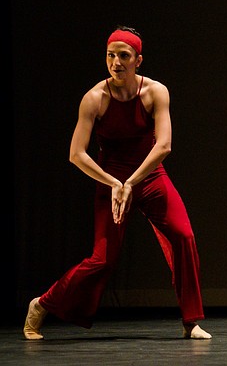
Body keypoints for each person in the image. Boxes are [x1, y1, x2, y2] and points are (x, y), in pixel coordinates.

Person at [23, 26, 211, 340]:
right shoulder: (95, 98)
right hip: (110, 182)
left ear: (139, 59)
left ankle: (191, 321)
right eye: (110, 55)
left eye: (123, 56)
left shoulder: (154, 92)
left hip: (149, 177)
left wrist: (131, 182)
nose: (116, 62)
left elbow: (163, 146)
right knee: (102, 259)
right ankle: (42, 305)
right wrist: (115, 183)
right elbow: (76, 154)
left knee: (183, 235)